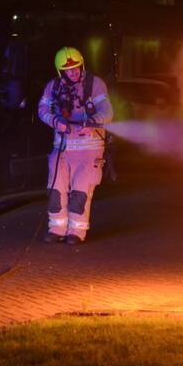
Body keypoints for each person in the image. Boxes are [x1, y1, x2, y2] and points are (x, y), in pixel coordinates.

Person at [37, 46, 113, 244]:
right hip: (61, 149)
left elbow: (107, 111)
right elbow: (42, 109)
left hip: (89, 152)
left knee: (80, 191)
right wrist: (55, 122)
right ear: (60, 71)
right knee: (56, 190)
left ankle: (77, 232)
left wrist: (93, 122)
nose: (74, 72)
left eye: (77, 68)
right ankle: (56, 229)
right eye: (69, 70)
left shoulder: (94, 85)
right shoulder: (52, 87)